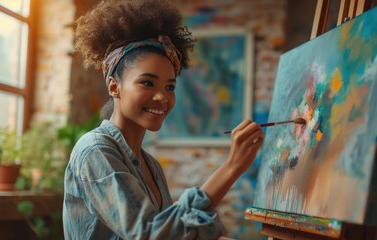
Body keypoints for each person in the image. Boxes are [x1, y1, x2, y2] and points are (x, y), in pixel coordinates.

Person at [62, 0, 265, 239]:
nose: (162, 97)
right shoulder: (96, 150)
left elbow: (171, 233)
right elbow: (148, 233)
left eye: (170, 86)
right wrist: (232, 167)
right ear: (114, 87)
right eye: (147, 83)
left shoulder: (151, 165)